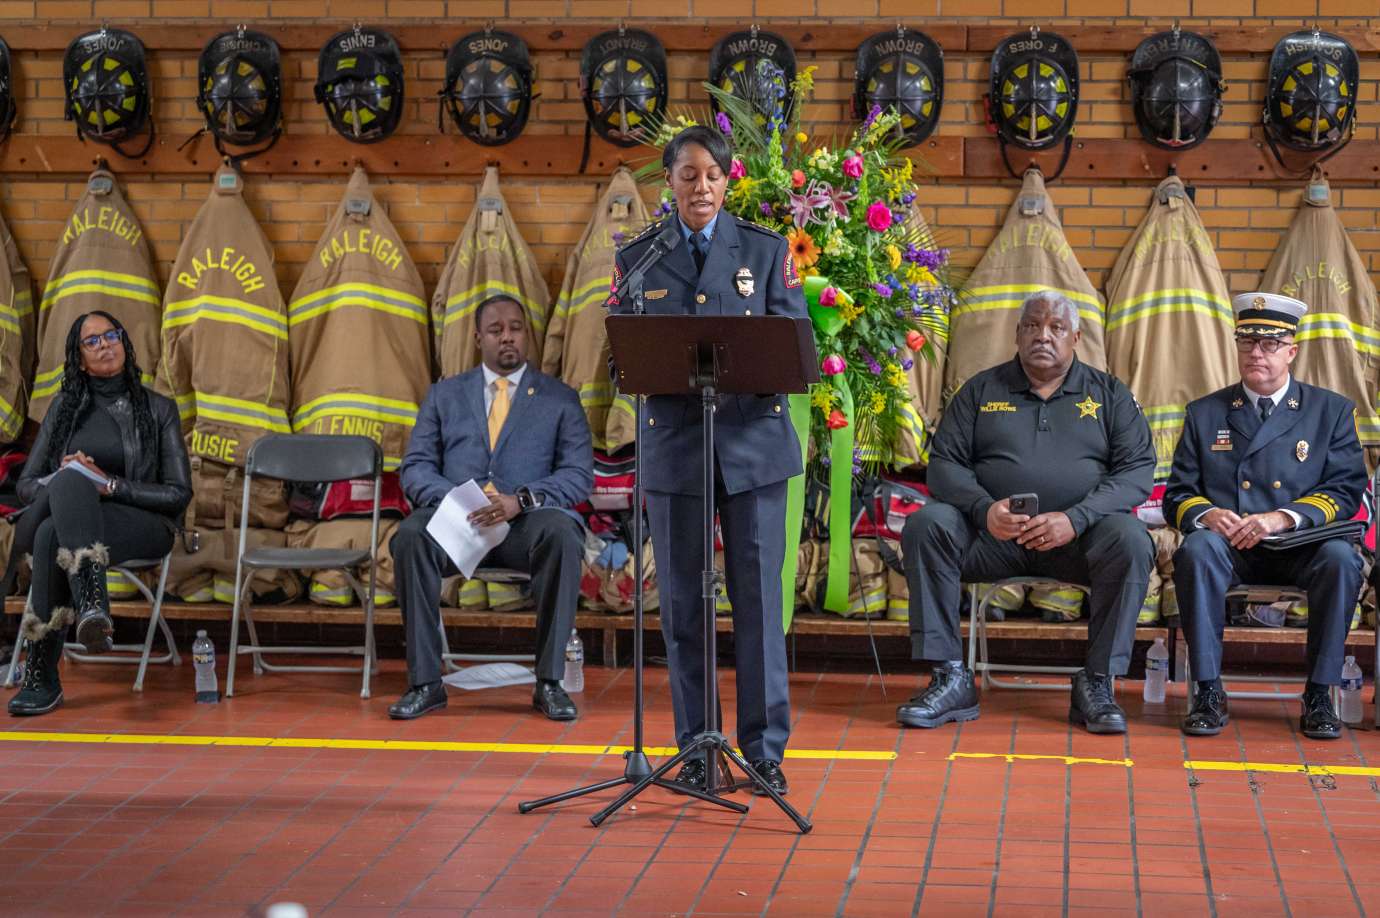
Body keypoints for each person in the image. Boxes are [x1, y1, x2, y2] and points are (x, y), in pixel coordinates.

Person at [608, 125, 808, 796]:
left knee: (757, 604)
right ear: (667, 183)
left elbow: (796, 349)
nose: (701, 186)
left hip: (752, 449)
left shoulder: (765, 250)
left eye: (712, 175)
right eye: (688, 175)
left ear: (729, 182)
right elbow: (622, 358)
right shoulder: (639, 256)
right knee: (684, 608)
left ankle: (762, 750)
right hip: (677, 450)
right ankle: (694, 747)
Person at [897, 291, 1156, 734]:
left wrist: (1076, 518)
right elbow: (943, 466)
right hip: (990, 541)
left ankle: (1098, 682)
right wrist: (984, 511)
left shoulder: (1109, 394)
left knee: (1131, 538)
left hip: (1078, 543)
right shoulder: (980, 390)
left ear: (1076, 337)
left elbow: (1137, 473)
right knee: (927, 524)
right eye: (1033, 326)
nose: (1043, 336)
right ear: (1017, 334)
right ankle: (949, 676)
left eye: (1056, 328)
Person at [1165, 292, 1367, 740]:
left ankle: (1319, 693)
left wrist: (1282, 518)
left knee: (1342, 559)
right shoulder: (1206, 412)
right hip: (1230, 546)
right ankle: (1208, 691)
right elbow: (1178, 494)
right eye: (1247, 342)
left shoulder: (1329, 411)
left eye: (1270, 344)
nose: (1257, 352)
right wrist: (1209, 514)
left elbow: (1345, 490)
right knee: (1196, 550)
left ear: (1292, 351)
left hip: (1300, 545)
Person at [388, 294, 592, 722]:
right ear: (479, 337)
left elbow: (578, 476)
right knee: (409, 536)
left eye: (515, 328)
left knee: (562, 533)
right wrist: (456, 501)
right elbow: (415, 466)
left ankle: (550, 683)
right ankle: (425, 683)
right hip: (456, 520)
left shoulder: (560, 398)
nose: (507, 337)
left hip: (525, 525)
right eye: (496, 330)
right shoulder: (444, 395)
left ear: (527, 335)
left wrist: (521, 501)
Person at [6, 311, 191, 716]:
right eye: (92, 341)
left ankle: (41, 673)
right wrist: (68, 477)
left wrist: (108, 484)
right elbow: (26, 484)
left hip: (143, 523)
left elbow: (179, 494)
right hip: (76, 521)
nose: (104, 344)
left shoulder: (158, 409)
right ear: (79, 356)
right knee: (56, 516)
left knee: (56, 523)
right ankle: (91, 607)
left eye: (111, 335)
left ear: (124, 342)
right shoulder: (64, 410)